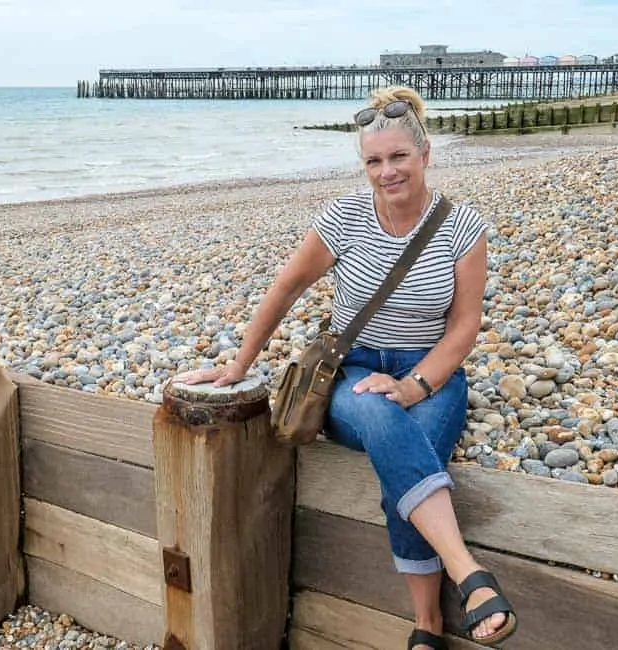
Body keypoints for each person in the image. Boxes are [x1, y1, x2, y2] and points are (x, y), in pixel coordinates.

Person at [175, 86, 517, 650]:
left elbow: (463, 328)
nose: (387, 172)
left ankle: (427, 624)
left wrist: (414, 385)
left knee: (402, 461)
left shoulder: (463, 227)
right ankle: (468, 575)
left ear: (425, 154)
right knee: (383, 420)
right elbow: (286, 287)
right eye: (374, 161)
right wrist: (237, 364)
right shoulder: (345, 217)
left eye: (399, 157)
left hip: (431, 372)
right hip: (352, 369)